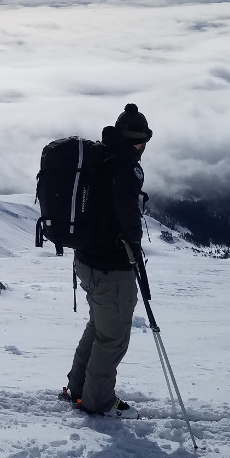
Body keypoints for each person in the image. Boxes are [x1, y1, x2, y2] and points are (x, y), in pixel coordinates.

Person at [65, 104, 153, 418]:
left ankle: (79, 389)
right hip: (111, 267)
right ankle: (98, 401)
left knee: (99, 327)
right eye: (142, 143)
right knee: (113, 337)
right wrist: (133, 249)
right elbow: (128, 219)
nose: (143, 149)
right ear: (135, 142)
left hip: (86, 262)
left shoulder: (100, 158)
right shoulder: (125, 168)